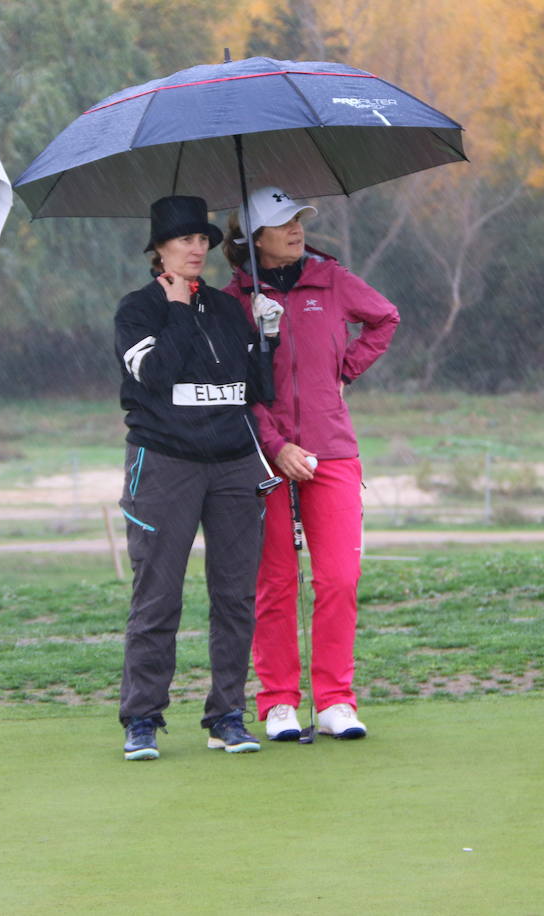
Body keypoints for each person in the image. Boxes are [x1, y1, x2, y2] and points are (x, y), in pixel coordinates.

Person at [223, 186, 399, 741]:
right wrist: (277, 446)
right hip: (265, 455)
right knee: (274, 583)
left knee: (340, 578)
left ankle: (335, 701)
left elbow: (384, 319)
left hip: (333, 449)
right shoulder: (234, 303)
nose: (296, 229)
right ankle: (278, 701)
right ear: (253, 239)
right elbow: (239, 390)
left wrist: (342, 374)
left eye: (299, 219)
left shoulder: (332, 279)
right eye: (282, 223)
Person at [114, 195, 283, 761]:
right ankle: (142, 718)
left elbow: (257, 391)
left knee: (235, 595)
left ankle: (227, 716)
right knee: (158, 597)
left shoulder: (230, 308)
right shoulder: (137, 310)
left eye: (203, 239)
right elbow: (156, 374)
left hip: (234, 463)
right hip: (165, 464)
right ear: (158, 248)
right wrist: (180, 309)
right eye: (184, 239)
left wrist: (266, 336)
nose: (196, 247)